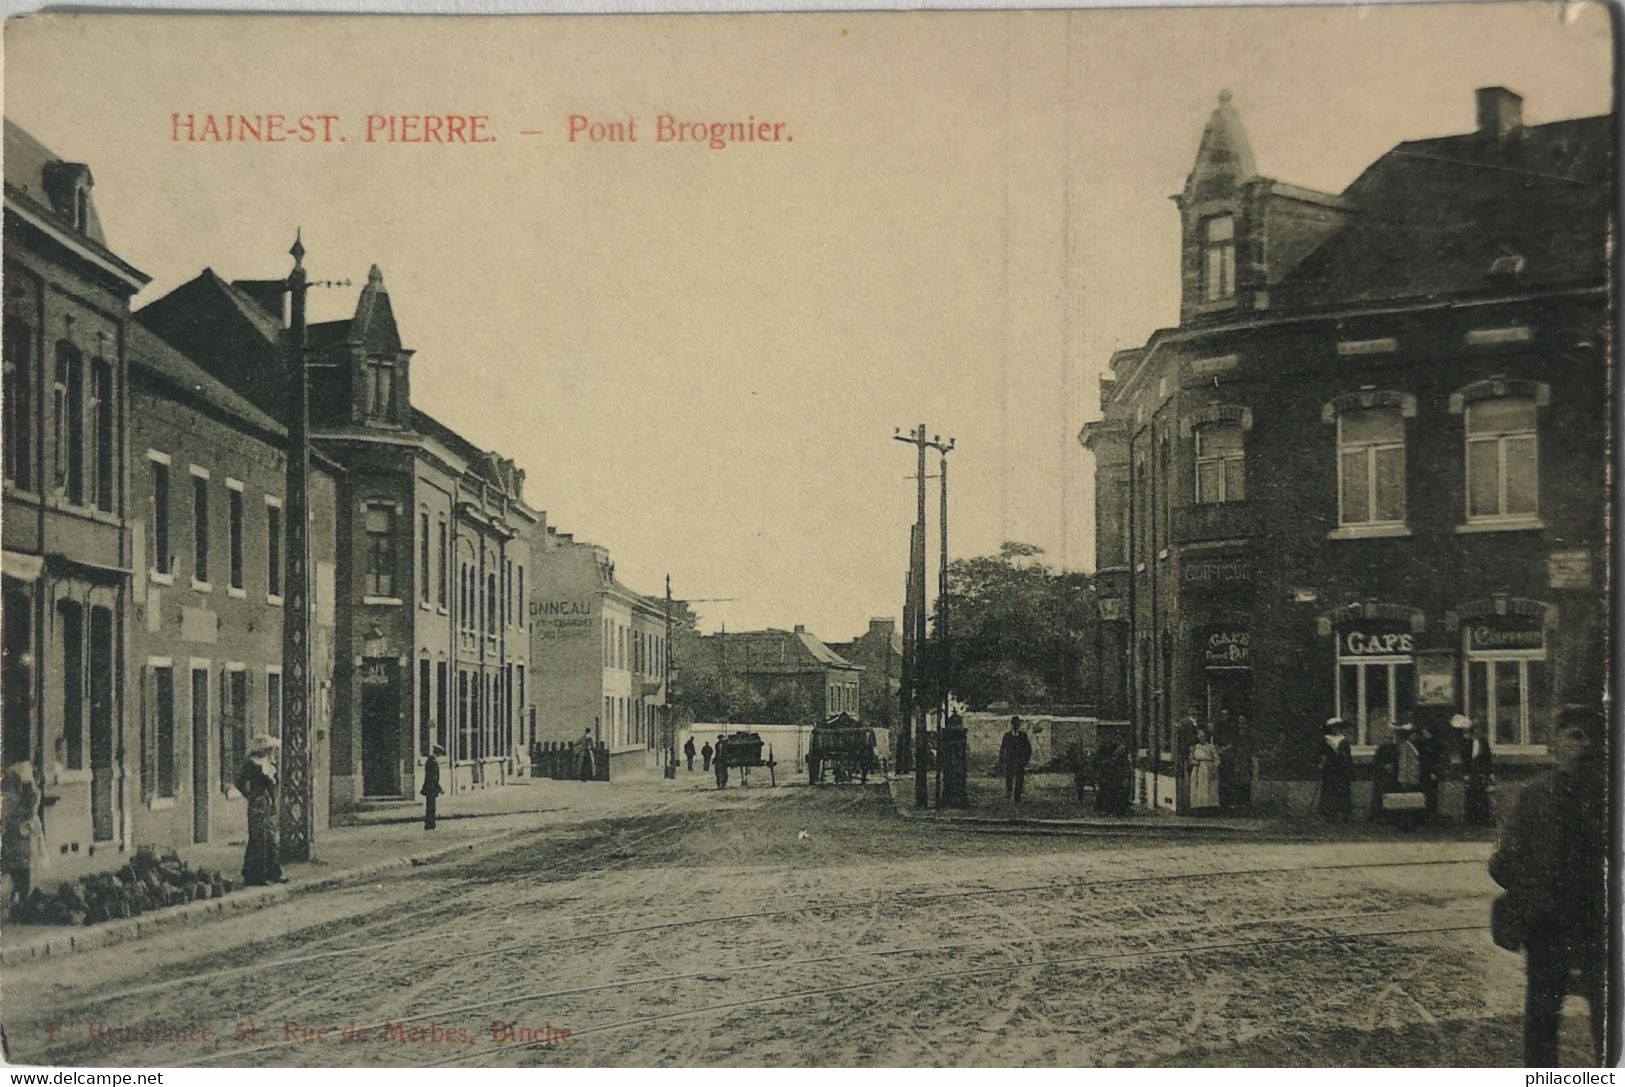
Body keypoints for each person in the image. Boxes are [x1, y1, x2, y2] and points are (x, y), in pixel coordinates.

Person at [1489, 705, 1607, 1066]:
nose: (1585, 746)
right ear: (1555, 744)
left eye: (1593, 738)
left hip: (1598, 922)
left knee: (1609, 1014)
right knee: (1542, 1014)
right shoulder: (1535, 795)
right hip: (1547, 924)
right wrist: (1530, 886)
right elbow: (1503, 859)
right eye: (1575, 736)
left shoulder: (1611, 795)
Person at [235, 735, 285, 886]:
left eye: (272, 749)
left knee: (271, 839)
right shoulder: (252, 764)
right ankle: (255, 875)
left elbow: (274, 786)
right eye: (269, 749)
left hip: (269, 804)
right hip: (258, 804)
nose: (272, 752)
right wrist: (250, 795)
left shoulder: (270, 764)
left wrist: (275, 802)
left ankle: (274, 873)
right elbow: (240, 782)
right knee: (259, 839)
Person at [2, 761, 44, 920]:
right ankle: (20, 905)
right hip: (17, 841)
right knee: (20, 874)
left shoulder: (16, 798)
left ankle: (18, 905)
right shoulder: (13, 799)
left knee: (19, 873)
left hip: (18, 841)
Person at [1459, 715, 1495, 827]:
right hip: (1471, 773)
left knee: (1482, 796)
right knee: (1470, 796)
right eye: (1476, 729)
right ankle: (1470, 819)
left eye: (1480, 729)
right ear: (1473, 731)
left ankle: (1483, 819)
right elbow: (1465, 759)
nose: (1479, 732)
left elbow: (1488, 758)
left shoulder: (1484, 742)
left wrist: (1489, 773)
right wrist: (1465, 773)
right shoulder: (1467, 743)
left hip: (1481, 773)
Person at [1317, 717, 1354, 819]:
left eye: (1338, 727)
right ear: (1330, 728)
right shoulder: (1325, 740)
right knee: (1329, 790)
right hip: (1330, 769)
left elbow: (1348, 755)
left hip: (1342, 769)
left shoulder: (1343, 740)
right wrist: (1321, 761)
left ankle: (1343, 812)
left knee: (1343, 790)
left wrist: (1348, 766)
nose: (1336, 729)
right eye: (1334, 727)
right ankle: (1328, 812)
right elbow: (1320, 754)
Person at [998, 716, 1032, 803]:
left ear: (1019, 725)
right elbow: (1002, 748)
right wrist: (1002, 760)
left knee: (1019, 779)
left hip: (1020, 762)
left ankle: (1018, 797)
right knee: (1009, 779)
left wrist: (1025, 760)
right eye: (1014, 723)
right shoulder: (1007, 735)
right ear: (1011, 724)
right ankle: (1009, 795)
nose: (1016, 725)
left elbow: (1028, 749)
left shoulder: (1023, 736)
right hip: (1010, 761)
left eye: (1018, 723)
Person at [1188, 727, 1221, 813]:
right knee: (1198, 788)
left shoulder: (1211, 747)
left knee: (1209, 788)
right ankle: (1198, 808)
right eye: (1200, 735)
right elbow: (1191, 760)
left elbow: (1217, 759)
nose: (1201, 737)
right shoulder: (1195, 747)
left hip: (1208, 769)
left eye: (1203, 736)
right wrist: (1195, 763)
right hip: (1198, 770)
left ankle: (1209, 808)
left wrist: (1214, 767)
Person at [422, 744, 444, 830]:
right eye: (439, 753)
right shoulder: (433, 762)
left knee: (429, 806)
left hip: (429, 787)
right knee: (431, 807)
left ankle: (429, 824)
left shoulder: (429, 760)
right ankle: (430, 824)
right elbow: (433, 777)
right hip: (431, 787)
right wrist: (439, 788)